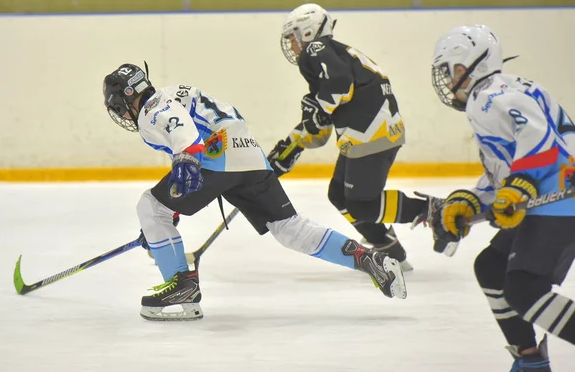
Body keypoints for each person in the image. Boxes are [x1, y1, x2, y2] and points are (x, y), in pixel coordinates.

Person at [102, 63, 407, 321]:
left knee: (150, 207)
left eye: (119, 109)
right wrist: (162, 230)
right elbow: (223, 118)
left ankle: (182, 289)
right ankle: (367, 258)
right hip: (249, 152)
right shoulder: (172, 91)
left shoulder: (151, 109)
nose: (124, 116)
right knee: (290, 228)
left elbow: (182, 130)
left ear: (126, 100)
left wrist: (185, 159)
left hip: (214, 154)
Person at [428, 24, 575, 371]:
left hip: (560, 198)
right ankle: (530, 361)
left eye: (449, 72)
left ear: (466, 67)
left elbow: (539, 141)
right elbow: (510, 169)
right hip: (553, 193)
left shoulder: (487, 96)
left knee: (525, 288)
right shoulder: (503, 88)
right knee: (492, 268)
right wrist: (474, 200)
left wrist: (520, 183)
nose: (447, 82)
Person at [268, 3, 435, 271]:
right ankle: (388, 249)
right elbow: (320, 125)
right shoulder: (332, 56)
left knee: (363, 206)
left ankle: (431, 211)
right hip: (367, 135)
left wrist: (318, 112)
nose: (291, 44)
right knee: (339, 195)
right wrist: (289, 148)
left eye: (293, 36)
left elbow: (339, 87)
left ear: (308, 33)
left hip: (370, 134)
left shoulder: (316, 50)